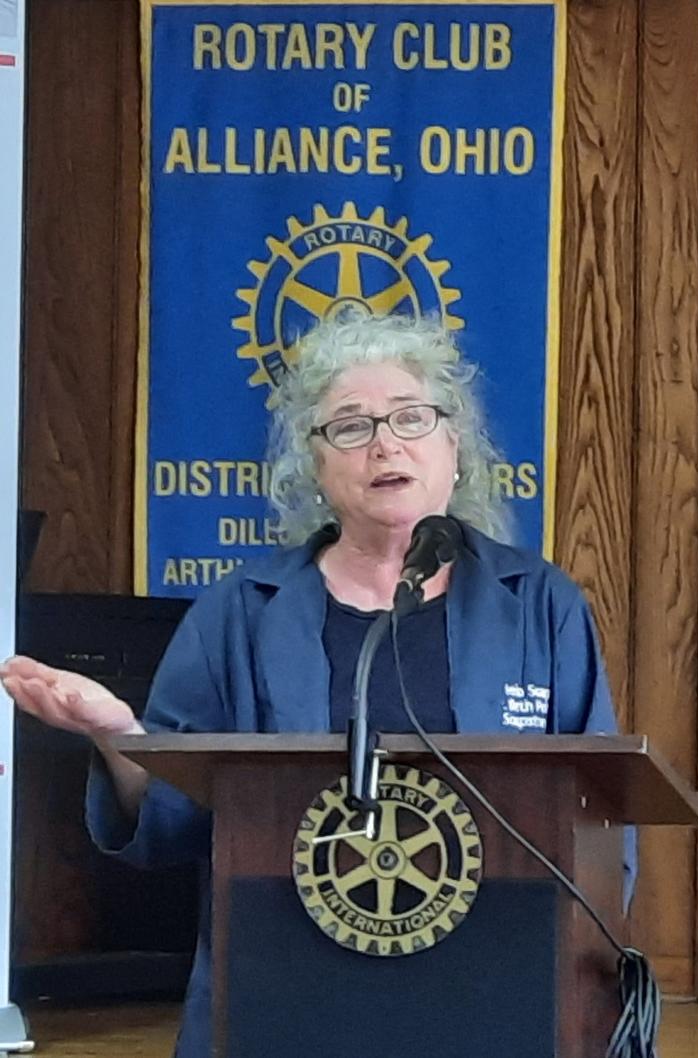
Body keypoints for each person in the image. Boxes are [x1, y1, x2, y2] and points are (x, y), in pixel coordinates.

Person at [2, 312, 632, 1058]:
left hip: (498, 990)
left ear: (454, 447)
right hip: (288, 993)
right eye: (351, 426)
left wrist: (579, 975)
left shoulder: (540, 604)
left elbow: (601, 821)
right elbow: (173, 822)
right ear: (315, 466)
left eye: (410, 417)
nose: (385, 443)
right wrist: (120, 738)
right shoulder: (241, 613)